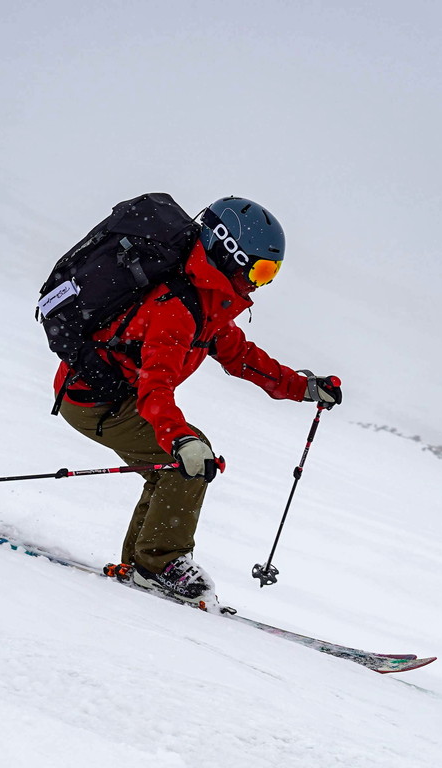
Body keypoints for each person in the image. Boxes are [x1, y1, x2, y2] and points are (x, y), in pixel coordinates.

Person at [53, 196, 342, 611]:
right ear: (230, 254)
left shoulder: (205, 303)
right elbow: (156, 388)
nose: (262, 282)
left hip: (109, 394)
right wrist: (181, 440)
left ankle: (144, 564)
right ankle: (160, 565)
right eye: (261, 269)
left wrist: (303, 387)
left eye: (272, 273)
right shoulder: (176, 310)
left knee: (174, 467)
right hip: (94, 401)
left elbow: (241, 355)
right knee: (187, 463)